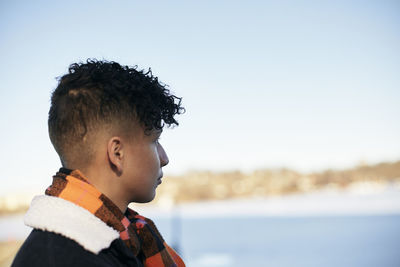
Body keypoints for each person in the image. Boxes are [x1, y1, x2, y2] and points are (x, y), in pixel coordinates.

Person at [12, 59, 186, 267]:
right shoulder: (69, 258)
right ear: (117, 153)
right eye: (154, 141)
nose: (165, 158)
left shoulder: (123, 238)